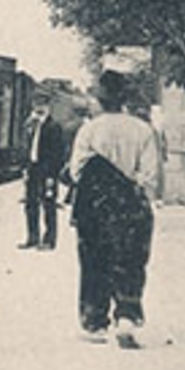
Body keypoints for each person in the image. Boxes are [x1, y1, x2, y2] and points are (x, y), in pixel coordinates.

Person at [67, 71, 161, 348]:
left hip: (94, 207)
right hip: (130, 206)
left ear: (99, 99)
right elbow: (149, 176)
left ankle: (95, 322)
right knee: (131, 259)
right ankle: (127, 317)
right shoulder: (143, 130)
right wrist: (128, 189)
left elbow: (77, 172)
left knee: (95, 261)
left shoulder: (89, 129)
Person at [18, 93, 66, 250]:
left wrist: (53, 175)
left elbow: (58, 153)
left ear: (48, 107)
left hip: (47, 171)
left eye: (42, 104)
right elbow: (26, 148)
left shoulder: (54, 127)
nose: (38, 108)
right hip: (33, 168)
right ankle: (32, 237)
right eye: (36, 104)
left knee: (48, 204)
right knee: (30, 203)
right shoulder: (31, 125)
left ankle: (49, 240)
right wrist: (25, 168)